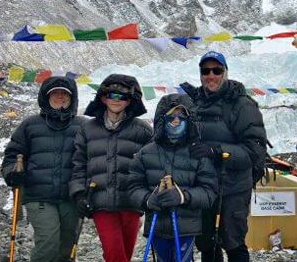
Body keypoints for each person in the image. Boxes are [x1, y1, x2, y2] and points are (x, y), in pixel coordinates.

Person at [180, 51, 267, 262]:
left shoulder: (242, 105)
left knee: (233, 242)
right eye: (206, 71)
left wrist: (215, 151)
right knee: (207, 245)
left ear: (225, 72)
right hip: (203, 188)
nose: (211, 75)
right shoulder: (194, 103)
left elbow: (255, 150)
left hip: (233, 188)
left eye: (216, 70)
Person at [1, 76, 85, 262]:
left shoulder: (83, 126)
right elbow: (11, 157)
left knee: (67, 247)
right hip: (39, 195)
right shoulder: (30, 125)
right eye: (55, 93)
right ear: (45, 97)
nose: (60, 97)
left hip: (71, 196)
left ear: (73, 98)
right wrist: (12, 172)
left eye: (65, 93)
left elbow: (93, 158)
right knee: (48, 242)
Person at [69, 74, 152, 262]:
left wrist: (149, 195)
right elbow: (78, 164)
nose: (117, 100)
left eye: (122, 96)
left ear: (130, 100)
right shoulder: (88, 129)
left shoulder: (143, 130)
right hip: (100, 201)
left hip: (131, 200)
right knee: (114, 253)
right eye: (112, 95)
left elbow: (153, 164)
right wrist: (79, 193)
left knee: (124, 254)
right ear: (103, 98)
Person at [128, 94, 218, 262]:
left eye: (181, 117)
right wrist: (148, 200)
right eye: (171, 117)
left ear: (189, 121)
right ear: (163, 120)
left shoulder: (198, 154)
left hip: (186, 226)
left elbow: (209, 192)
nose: (176, 121)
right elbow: (133, 187)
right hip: (157, 224)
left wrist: (183, 197)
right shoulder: (145, 153)